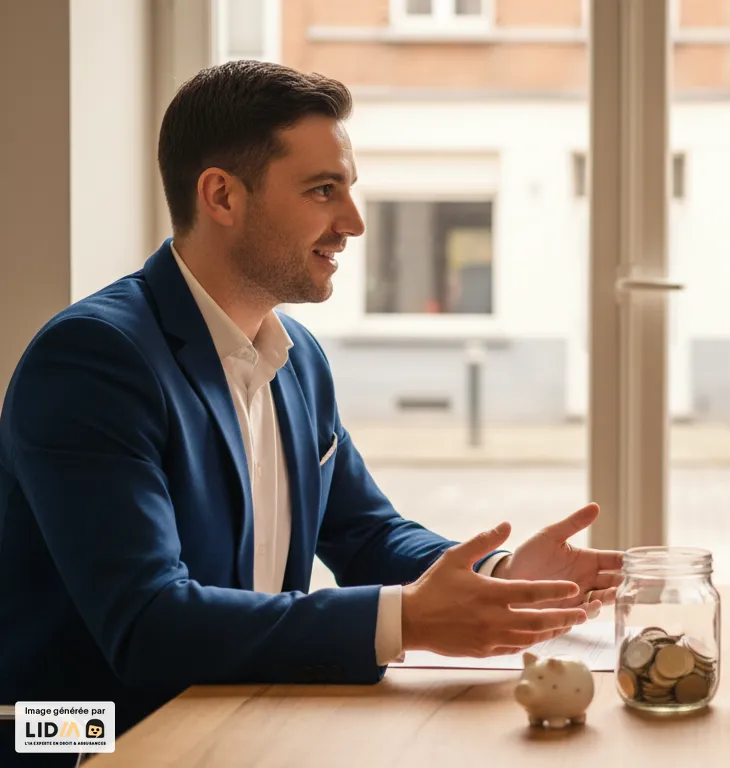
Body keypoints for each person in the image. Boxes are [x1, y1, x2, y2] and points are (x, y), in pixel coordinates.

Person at [0, 60, 621, 747]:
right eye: (324, 191)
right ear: (222, 196)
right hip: (82, 737)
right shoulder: (94, 360)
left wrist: (501, 580)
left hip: (236, 716)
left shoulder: (297, 356)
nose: (352, 223)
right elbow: (149, 625)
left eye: (348, 189)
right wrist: (405, 621)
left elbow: (366, 534)